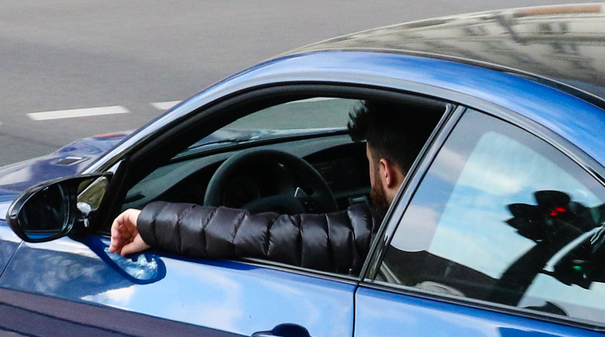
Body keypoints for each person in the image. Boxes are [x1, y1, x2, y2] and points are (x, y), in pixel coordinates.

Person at [110, 99, 439, 268]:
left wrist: (148, 222)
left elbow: (253, 234)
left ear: (386, 172)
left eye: (366, 164)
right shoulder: (470, 213)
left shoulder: (379, 233)